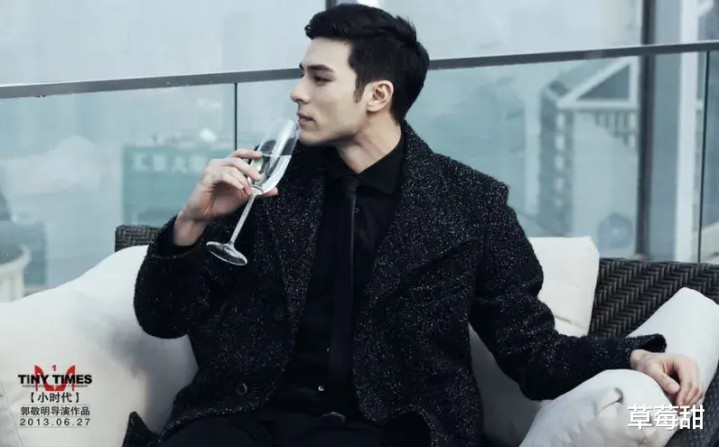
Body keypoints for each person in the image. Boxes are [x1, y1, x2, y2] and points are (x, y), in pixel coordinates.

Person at [121, 4, 704, 447]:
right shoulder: (268, 183)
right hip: (247, 417)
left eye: (319, 78)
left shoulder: (470, 205)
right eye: (302, 74)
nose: (297, 93)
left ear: (377, 94)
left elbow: (531, 350)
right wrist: (191, 222)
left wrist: (634, 359)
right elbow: (162, 319)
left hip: (388, 429)